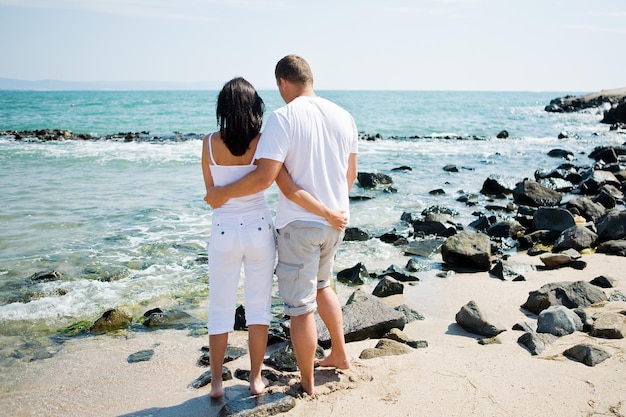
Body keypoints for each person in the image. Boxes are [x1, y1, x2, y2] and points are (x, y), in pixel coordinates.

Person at [205, 55, 359, 396]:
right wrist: (332, 211)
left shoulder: (283, 118)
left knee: (300, 307)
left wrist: (219, 193)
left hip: (296, 225)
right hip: (335, 222)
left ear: (283, 83)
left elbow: (272, 180)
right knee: (323, 286)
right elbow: (351, 175)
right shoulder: (344, 116)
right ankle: (340, 354)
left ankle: (307, 385)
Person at [201, 77, 276, 398]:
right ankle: (256, 379)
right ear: (253, 106)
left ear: (223, 108)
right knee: (258, 308)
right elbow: (266, 181)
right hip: (259, 227)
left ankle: (217, 383)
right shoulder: (263, 142)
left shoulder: (208, 143)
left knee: (220, 308)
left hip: (223, 231)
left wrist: (223, 194)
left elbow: (211, 194)